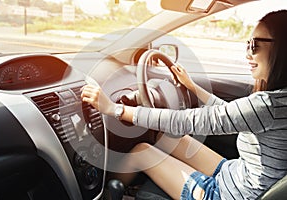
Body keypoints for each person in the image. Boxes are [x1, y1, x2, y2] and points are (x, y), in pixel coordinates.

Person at [81, 10, 287, 200]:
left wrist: (115, 109)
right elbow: (229, 115)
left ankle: (107, 196)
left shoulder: (267, 105)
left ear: (281, 48)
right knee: (167, 137)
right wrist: (192, 87)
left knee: (141, 151)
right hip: (237, 174)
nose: (248, 53)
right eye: (247, 43)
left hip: (226, 195)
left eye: (255, 45)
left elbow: (185, 121)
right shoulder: (277, 101)